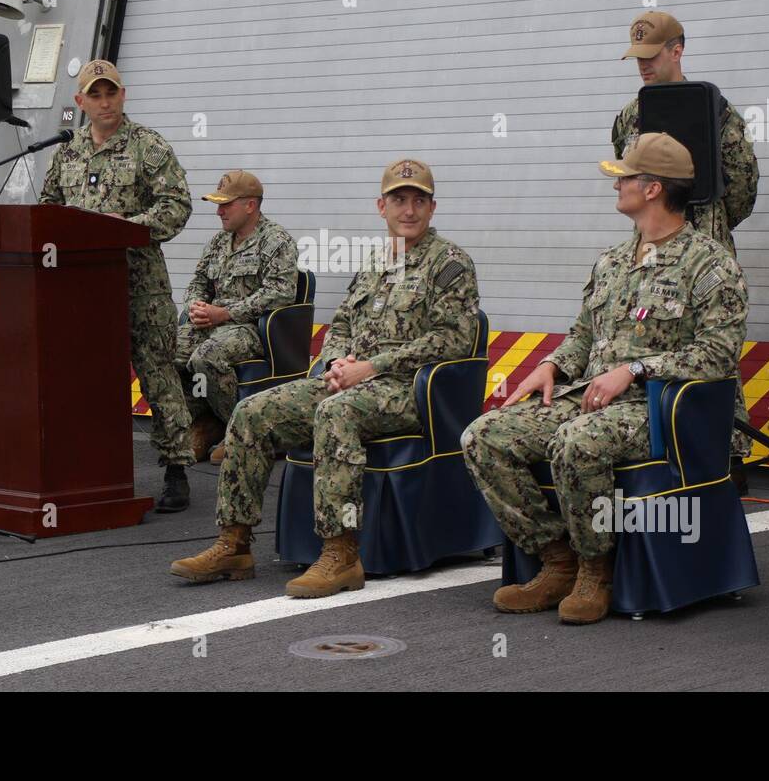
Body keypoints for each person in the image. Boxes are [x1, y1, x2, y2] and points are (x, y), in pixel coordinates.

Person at [461, 133, 748, 624]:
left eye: (625, 178)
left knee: (578, 441)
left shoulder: (710, 263)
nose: (616, 185)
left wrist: (635, 370)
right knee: (484, 435)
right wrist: (550, 366)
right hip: (591, 396)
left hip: (657, 408)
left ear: (653, 188)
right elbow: (583, 334)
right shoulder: (613, 261)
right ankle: (556, 559)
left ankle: (596, 569)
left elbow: (719, 354)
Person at [170, 158, 480, 598]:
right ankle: (233, 543)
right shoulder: (376, 261)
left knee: (336, 414)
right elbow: (342, 325)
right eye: (399, 200)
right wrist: (334, 365)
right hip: (351, 380)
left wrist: (371, 367)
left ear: (432, 208)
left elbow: (454, 339)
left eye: (418, 201)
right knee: (253, 412)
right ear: (381, 207)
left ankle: (341, 553)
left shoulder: (450, 264)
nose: (408, 210)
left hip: (407, 390)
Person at [38, 60, 195, 513]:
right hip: (83, 291)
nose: (105, 102)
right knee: (86, 379)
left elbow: (176, 206)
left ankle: (177, 470)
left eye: (112, 93)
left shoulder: (148, 147)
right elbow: (49, 209)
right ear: (80, 102)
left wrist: (126, 228)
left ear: (123, 95)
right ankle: (90, 468)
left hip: (140, 286)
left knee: (159, 375)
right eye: (96, 95)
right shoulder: (67, 153)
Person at [611, 10, 759, 480]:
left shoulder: (717, 113)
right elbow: (627, 175)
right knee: (644, 336)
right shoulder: (631, 116)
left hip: (704, 245)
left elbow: (741, 188)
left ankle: (727, 452)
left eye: (652, 56)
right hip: (649, 247)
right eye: (637, 58)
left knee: (712, 348)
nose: (644, 66)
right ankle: (647, 437)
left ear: (677, 50)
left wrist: (704, 224)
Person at [178, 170, 298, 463]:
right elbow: (198, 282)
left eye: (226, 204)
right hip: (212, 323)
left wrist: (226, 313)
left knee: (206, 356)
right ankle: (204, 423)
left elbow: (281, 292)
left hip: (250, 328)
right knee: (165, 351)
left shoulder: (276, 241)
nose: (219, 212)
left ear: (250, 205)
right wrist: (196, 305)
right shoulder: (219, 242)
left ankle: (242, 431)